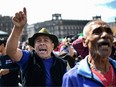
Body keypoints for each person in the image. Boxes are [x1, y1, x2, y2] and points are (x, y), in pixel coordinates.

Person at [6, 7, 67, 87]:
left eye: (45, 40)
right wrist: (17, 28)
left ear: (52, 46)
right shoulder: (28, 58)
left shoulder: (61, 63)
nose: (42, 43)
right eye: (38, 41)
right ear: (34, 46)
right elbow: (11, 51)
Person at [62, 20, 116, 87]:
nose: (105, 35)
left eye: (109, 32)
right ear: (84, 42)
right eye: (97, 32)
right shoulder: (72, 77)